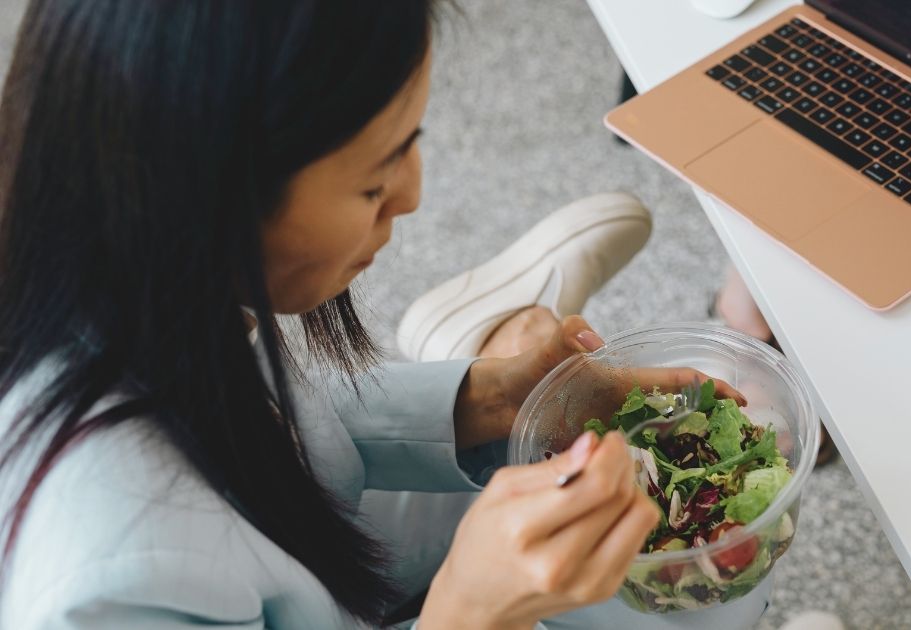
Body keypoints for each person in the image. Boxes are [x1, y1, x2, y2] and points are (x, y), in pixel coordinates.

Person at [0, 1, 668, 628]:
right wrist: (470, 611)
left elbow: (284, 426)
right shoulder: (114, 583)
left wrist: (495, 397)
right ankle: (498, 325)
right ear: (208, 206)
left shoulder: (129, 275)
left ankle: (493, 342)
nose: (412, 196)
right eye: (375, 181)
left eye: (412, 142)